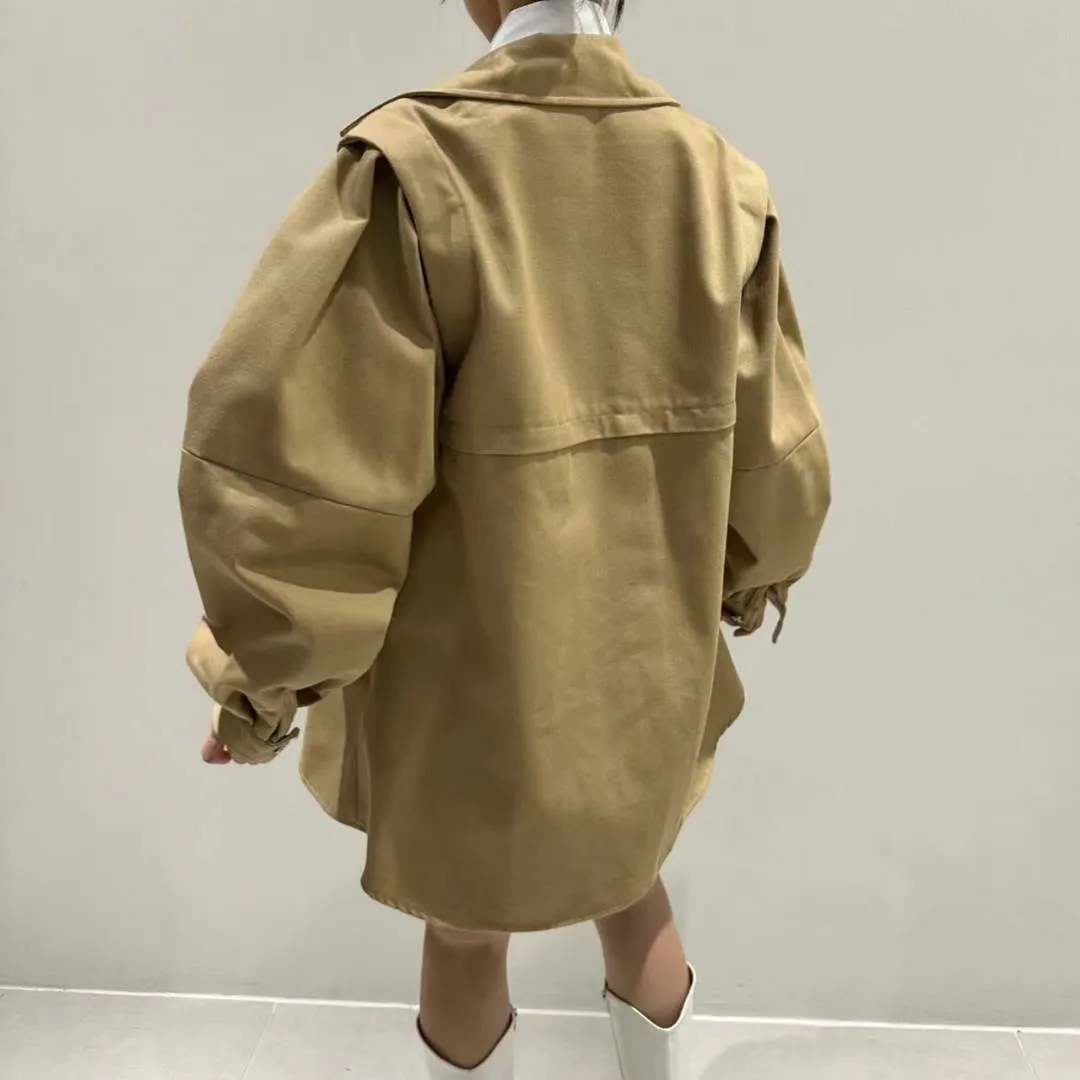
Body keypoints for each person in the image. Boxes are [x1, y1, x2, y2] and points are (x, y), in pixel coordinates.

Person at [179, 0, 831, 1075]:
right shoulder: (719, 177)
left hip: (469, 681)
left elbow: (303, 473)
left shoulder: (412, 166)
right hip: (647, 666)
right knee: (632, 885)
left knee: (467, 931)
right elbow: (780, 457)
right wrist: (746, 579)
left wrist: (260, 684)